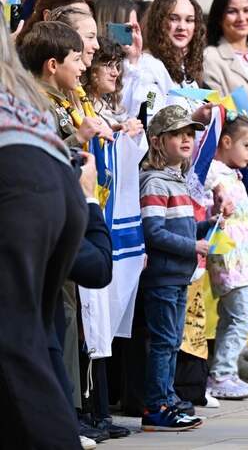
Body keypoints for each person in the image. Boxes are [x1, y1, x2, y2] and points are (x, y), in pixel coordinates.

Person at [0, 22, 90, 449]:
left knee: (13, 343)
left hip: (21, 187)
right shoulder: (17, 86)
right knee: (27, 339)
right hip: (55, 182)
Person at [139, 106, 214, 431]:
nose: (186, 139)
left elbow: (177, 228)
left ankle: (167, 397)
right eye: (177, 134)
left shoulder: (176, 179)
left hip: (177, 274)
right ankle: (157, 406)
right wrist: (192, 246)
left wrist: (208, 225)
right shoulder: (155, 182)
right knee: (164, 341)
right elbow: (153, 232)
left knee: (170, 341)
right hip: (163, 276)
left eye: (189, 134)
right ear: (157, 141)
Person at [204, 115, 248, 399]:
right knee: (242, 318)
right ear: (226, 142)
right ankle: (221, 374)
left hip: (243, 258)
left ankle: (225, 372)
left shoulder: (230, 173)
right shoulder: (213, 174)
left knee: (232, 318)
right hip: (231, 260)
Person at [18, 21, 107, 147]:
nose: (82, 67)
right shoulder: (39, 106)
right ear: (53, 65)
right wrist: (79, 137)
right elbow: (42, 155)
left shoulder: (58, 100)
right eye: (76, 60)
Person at [126, 0, 207, 121]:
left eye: (189, 20)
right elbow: (150, 121)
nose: (182, 27)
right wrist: (193, 119)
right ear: (159, 22)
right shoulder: (148, 66)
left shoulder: (184, 66)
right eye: (174, 18)